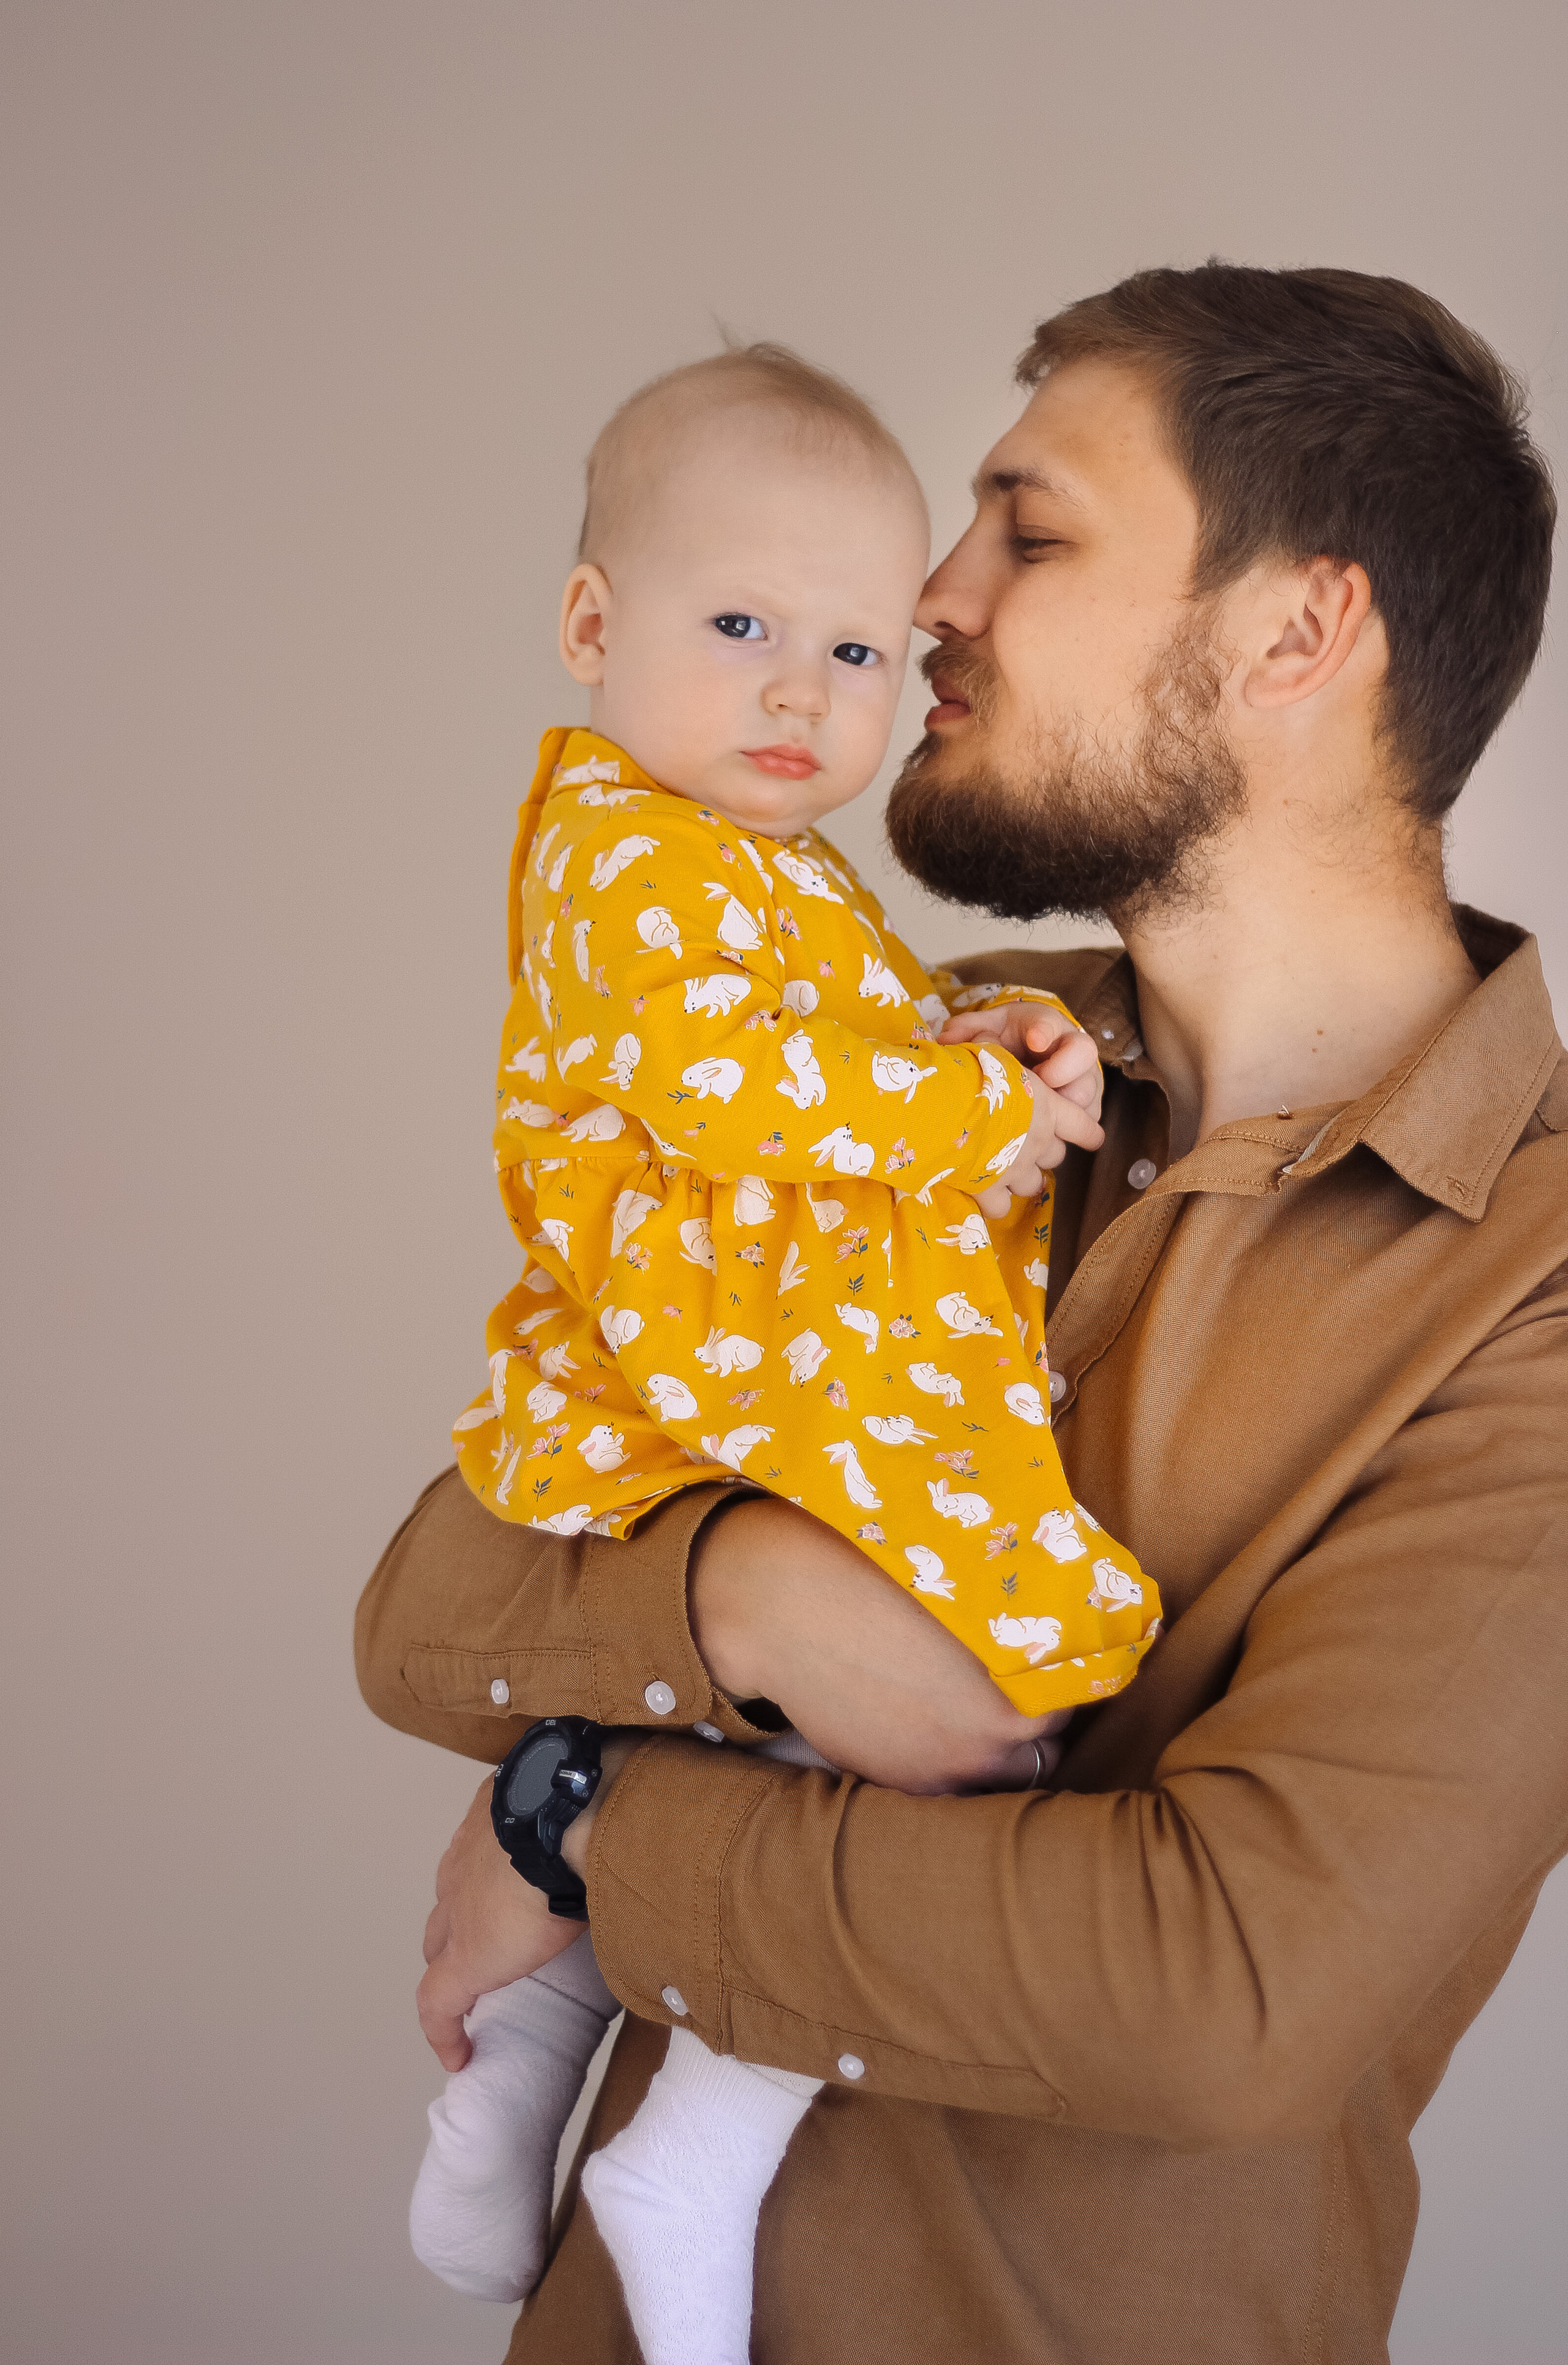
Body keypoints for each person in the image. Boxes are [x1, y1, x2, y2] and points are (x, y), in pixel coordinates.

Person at [357, 262, 1566, 2365]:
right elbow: (431, 1595)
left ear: (1299, 631)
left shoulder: (1532, 1281)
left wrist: (591, 1811)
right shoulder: (922, 1068)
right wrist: (743, 1594)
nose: (928, 594)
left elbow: (1220, 1995)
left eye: (1032, 528)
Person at [410, 346, 1159, 2363]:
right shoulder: (622, 853)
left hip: (772, 1347)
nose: (801, 692)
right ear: (592, 625)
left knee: (778, 1719)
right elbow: (756, 1088)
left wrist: (982, 1034)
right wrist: (975, 1115)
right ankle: (697, 2144)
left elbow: (853, 1039)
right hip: (735, 1346)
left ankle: (521, 2057)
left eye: (849, 645)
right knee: (996, 1676)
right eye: (739, 624)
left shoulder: (763, 861)